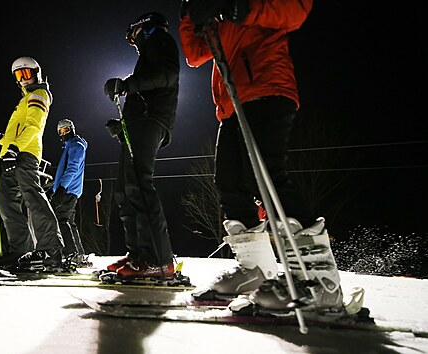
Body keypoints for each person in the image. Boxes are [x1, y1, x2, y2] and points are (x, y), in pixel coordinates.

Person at [179, 0, 345, 311]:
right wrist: (190, 16)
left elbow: (296, 10)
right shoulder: (216, 8)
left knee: (266, 178)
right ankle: (253, 271)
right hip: (231, 103)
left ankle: (320, 281)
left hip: (267, 87)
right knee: (229, 183)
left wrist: (243, 8)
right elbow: (195, 54)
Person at [102, 12, 179, 280]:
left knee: (139, 185)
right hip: (140, 122)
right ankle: (138, 255)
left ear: (144, 28)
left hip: (151, 120)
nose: (132, 41)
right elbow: (147, 89)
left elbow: (167, 75)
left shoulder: (160, 41)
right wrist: (122, 128)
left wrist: (128, 85)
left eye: (133, 34)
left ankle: (158, 260)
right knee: (125, 190)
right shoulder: (149, 52)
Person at [0, 56, 64, 272]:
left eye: (26, 73)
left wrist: (14, 148)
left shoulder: (39, 94)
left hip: (25, 154)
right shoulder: (24, 100)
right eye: (19, 75)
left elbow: (34, 125)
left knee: (32, 196)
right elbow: (16, 131)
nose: (23, 79)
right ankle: (20, 250)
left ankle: (50, 249)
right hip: (12, 154)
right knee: (7, 202)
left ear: (36, 73)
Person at [50, 118, 90, 266]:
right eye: (60, 131)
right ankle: (78, 254)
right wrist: (52, 189)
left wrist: (61, 188)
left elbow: (72, 167)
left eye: (66, 130)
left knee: (61, 220)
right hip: (66, 189)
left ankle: (71, 254)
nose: (63, 133)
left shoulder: (76, 145)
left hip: (69, 190)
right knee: (68, 222)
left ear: (72, 129)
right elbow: (62, 172)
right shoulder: (69, 146)